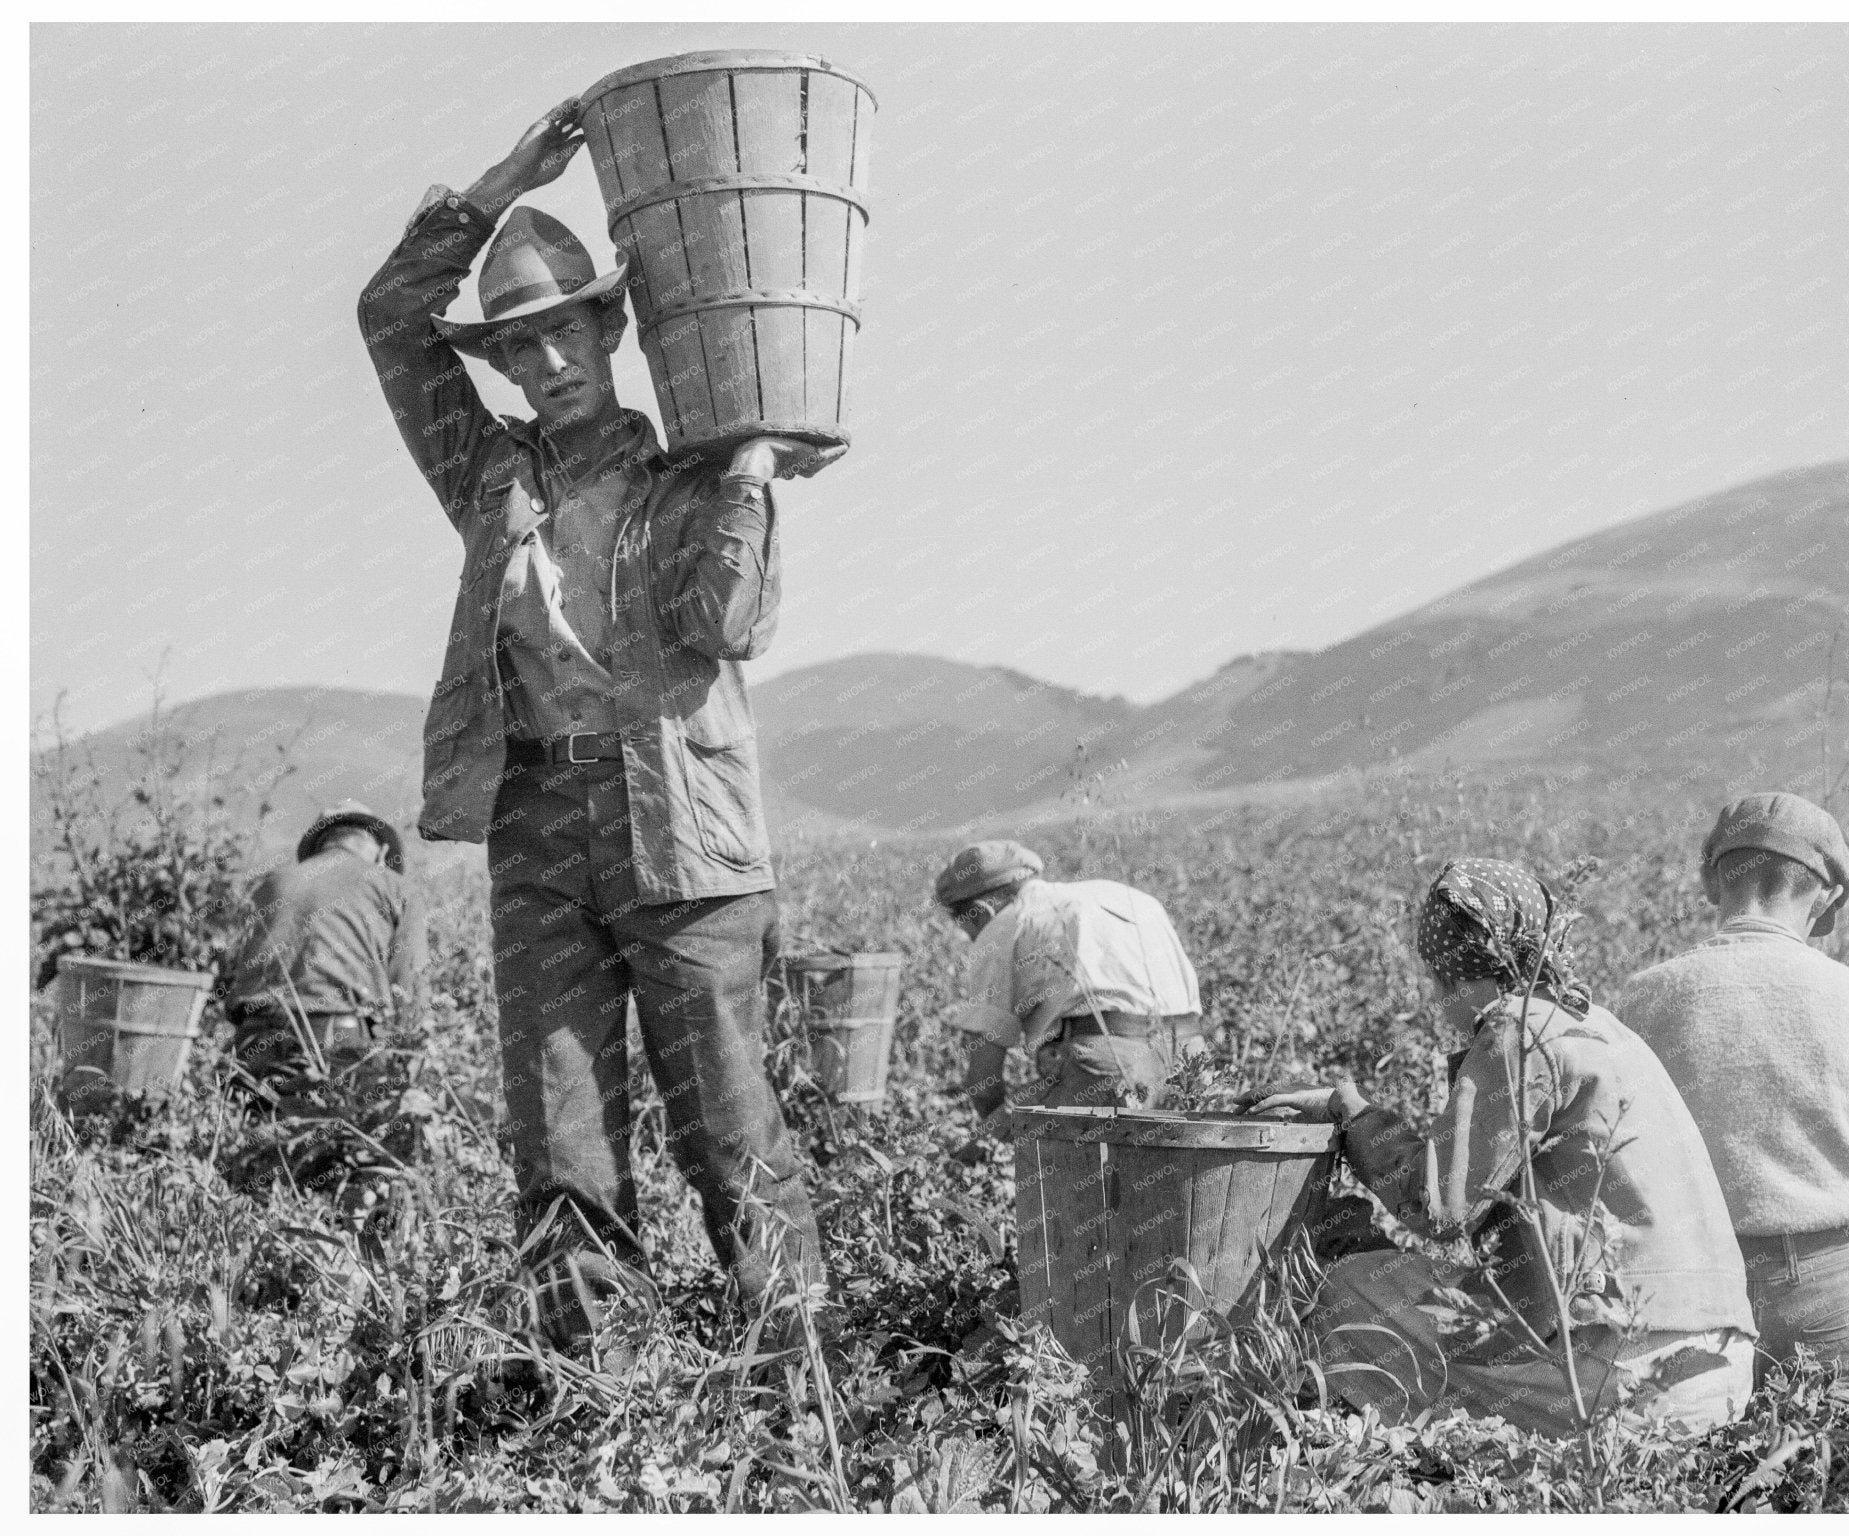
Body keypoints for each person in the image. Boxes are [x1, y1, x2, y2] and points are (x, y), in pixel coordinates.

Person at [357, 99, 834, 1351]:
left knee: (727, 1128)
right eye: (519, 348)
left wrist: (747, 477)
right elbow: (387, 322)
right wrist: (495, 182)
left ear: (611, 327)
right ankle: (596, 1416)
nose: (546, 364)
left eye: (565, 333)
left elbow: (728, 624)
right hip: (537, 824)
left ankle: (803, 1401)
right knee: (561, 1140)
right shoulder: (486, 477)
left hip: (683, 830)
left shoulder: (695, 480)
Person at [1255, 858, 1756, 1437]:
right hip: (1720, 1371)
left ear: (1457, 972)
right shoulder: (1597, 1026)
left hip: (1625, 1380)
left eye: (1437, 979)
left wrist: (1354, 1113)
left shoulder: (1518, 1032)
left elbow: (1440, 1206)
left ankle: (1404, 1438)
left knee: (1351, 1289)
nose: (1437, 1000)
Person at [1619, 793, 1849, 1413]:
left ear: (1714, 880)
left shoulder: (1643, 999)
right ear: (1825, 897)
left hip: (1685, 1296)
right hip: (1822, 1297)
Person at [224, 801, 424, 1208]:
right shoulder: (392, 885)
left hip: (253, 1037)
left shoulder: (268, 883)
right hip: (340, 1041)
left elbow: (231, 972)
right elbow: (410, 990)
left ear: (318, 846)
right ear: (381, 851)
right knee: (346, 1173)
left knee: (259, 1177)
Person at [937, 841, 1203, 1135]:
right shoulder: (1126, 895)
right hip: (1193, 1060)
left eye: (970, 931)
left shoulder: (1004, 924)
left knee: (1045, 1166)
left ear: (979, 912)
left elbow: (982, 1081)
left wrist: (997, 1135)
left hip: (1111, 1065)